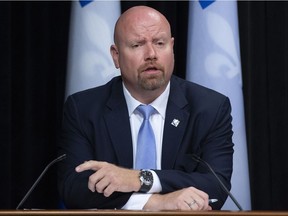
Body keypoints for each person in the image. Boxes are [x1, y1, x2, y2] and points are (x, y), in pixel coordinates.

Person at [58, 5, 234, 211]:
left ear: (172, 47)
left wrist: (139, 179)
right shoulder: (84, 109)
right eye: (137, 45)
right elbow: (74, 188)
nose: (151, 54)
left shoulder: (210, 108)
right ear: (116, 55)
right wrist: (157, 202)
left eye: (160, 43)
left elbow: (216, 187)